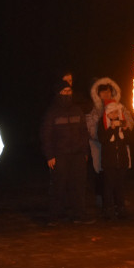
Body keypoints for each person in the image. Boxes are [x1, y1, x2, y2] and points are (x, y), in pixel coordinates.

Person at [39, 78, 95, 225]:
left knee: (78, 185)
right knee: (59, 185)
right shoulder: (52, 112)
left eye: (69, 91)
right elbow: (46, 135)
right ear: (58, 93)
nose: (67, 93)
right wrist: (50, 155)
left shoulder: (77, 109)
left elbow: (84, 132)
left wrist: (85, 151)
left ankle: (79, 215)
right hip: (60, 155)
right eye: (64, 91)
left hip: (77, 154)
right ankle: (56, 216)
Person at [86, 77, 134, 210]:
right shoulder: (95, 111)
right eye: (102, 92)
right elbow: (91, 130)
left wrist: (125, 127)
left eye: (108, 91)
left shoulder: (121, 108)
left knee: (118, 177)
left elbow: (130, 121)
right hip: (102, 148)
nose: (106, 94)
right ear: (97, 94)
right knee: (104, 177)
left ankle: (118, 202)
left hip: (119, 149)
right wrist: (105, 133)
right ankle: (104, 201)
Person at [96, 100, 132, 219]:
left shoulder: (122, 124)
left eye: (116, 112)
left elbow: (129, 141)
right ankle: (108, 209)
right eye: (111, 113)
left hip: (121, 161)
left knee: (120, 186)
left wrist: (126, 130)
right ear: (107, 114)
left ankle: (121, 208)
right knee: (109, 186)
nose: (114, 115)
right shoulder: (103, 124)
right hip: (109, 162)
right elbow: (102, 139)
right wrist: (111, 128)